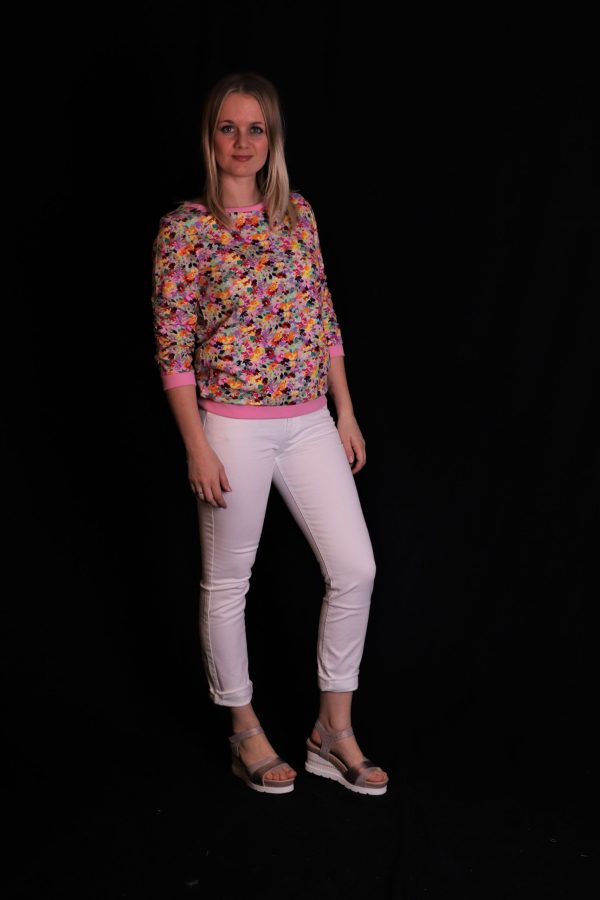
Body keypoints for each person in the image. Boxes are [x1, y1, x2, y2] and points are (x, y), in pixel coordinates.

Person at [151, 71, 388, 796]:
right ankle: (244, 730)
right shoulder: (186, 229)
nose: (242, 142)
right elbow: (173, 348)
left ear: (272, 139)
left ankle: (331, 733)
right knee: (229, 583)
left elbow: (323, 315)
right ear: (211, 136)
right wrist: (196, 445)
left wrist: (345, 410)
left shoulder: (298, 215)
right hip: (231, 426)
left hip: (310, 419)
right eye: (229, 127)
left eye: (256, 129)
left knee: (355, 568)